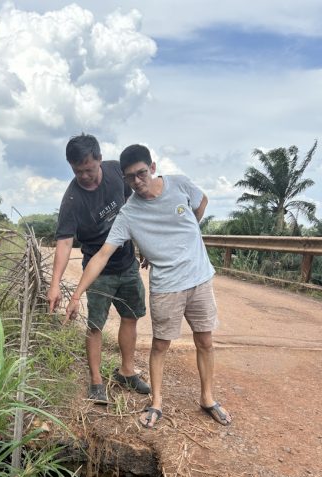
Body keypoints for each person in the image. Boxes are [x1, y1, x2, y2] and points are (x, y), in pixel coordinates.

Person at [65, 143, 231, 428]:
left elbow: (201, 201)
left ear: (153, 168)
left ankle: (208, 398)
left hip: (200, 277)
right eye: (130, 178)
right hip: (167, 285)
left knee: (205, 341)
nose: (138, 182)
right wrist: (77, 294)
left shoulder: (179, 185)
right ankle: (156, 403)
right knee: (161, 345)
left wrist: (190, 228)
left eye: (142, 173)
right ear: (124, 179)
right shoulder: (129, 214)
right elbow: (102, 254)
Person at [48, 134, 150, 404]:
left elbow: (135, 206)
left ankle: (127, 371)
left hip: (127, 263)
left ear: (100, 161)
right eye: (78, 171)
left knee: (131, 317)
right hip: (97, 270)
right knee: (95, 325)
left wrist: (144, 244)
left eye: (89, 169)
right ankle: (96, 381)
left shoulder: (118, 172)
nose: (85, 176)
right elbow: (65, 241)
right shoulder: (72, 200)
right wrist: (55, 284)